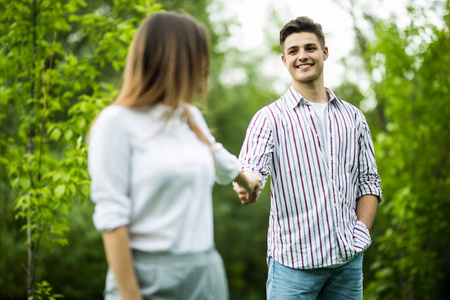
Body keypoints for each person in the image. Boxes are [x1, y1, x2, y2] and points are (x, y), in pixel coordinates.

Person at [88, 12, 261, 300]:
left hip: (205, 274)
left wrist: (247, 181)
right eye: (200, 56)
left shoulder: (188, 116)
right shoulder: (116, 122)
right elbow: (111, 218)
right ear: (175, 59)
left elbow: (214, 155)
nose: (206, 68)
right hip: (148, 278)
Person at [233, 16, 382, 299]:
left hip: (347, 265)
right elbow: (252, 169)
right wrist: (247, 183)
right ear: (284, 60)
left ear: (324, 53)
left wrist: (361, 232)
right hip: (293, 270)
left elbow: (368, 182)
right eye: (293, 51)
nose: (302, 56)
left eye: (310, 48)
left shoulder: (353, 118)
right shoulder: (269, 119)